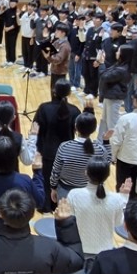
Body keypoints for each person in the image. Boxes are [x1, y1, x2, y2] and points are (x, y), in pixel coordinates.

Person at [63, 157, 131, 274]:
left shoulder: (75, 195)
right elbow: (118, 224)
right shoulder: (115, 199)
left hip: (79, 248)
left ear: (86, 173)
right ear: (108, 175)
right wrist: (124, 197)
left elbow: (70, 219)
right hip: (104, 252)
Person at [0, 137, 45, 239]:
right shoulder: (24, 181)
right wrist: (38, 173)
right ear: (14, 159)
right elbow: (40, 202)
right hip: (20, 234)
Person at [34, 79, 81, 211]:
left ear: (54, 91)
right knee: (64, 182)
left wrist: (37, 150)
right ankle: (62, 207)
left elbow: (36, 129)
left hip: (47, 151)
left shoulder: (44, 108)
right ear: (69, 93)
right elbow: (82, 130)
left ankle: (46, 206)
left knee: (47, 180)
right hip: (68, 152)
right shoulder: (75, 110)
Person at [51, 109, 109, 199]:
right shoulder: (100, 150)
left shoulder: (64, 146)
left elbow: (56, 170)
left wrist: (53, 187)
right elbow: (106, 165)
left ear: (76, 127)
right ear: (93, 129)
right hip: (90, 193)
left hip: (66, 191)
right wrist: (106, 142)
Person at [97, 44, 133, 141]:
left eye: (119, 51)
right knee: (104, 121)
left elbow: (104, 77)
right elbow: (107, 72)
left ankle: (112, 145)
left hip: (114, 98)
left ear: (123, 54)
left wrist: (101, 64)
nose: (116, 53)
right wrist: (103, 62)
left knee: (112, 123)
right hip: (109, 96)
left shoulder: (122, 69)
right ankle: (100, 141)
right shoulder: (119, 65)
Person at [1, 0, 20, 65]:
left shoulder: (17, 11)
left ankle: (12, 60)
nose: (12, 3)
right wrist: (5, 27)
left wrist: (9, 28)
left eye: (13, 2)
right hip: (7, 30)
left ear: (16, 3)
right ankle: (7, 59)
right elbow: (2, 17)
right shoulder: (8, 10)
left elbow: (17, 24)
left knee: (12, 45)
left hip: (13, 31)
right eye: (11, 2)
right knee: (7, 45)